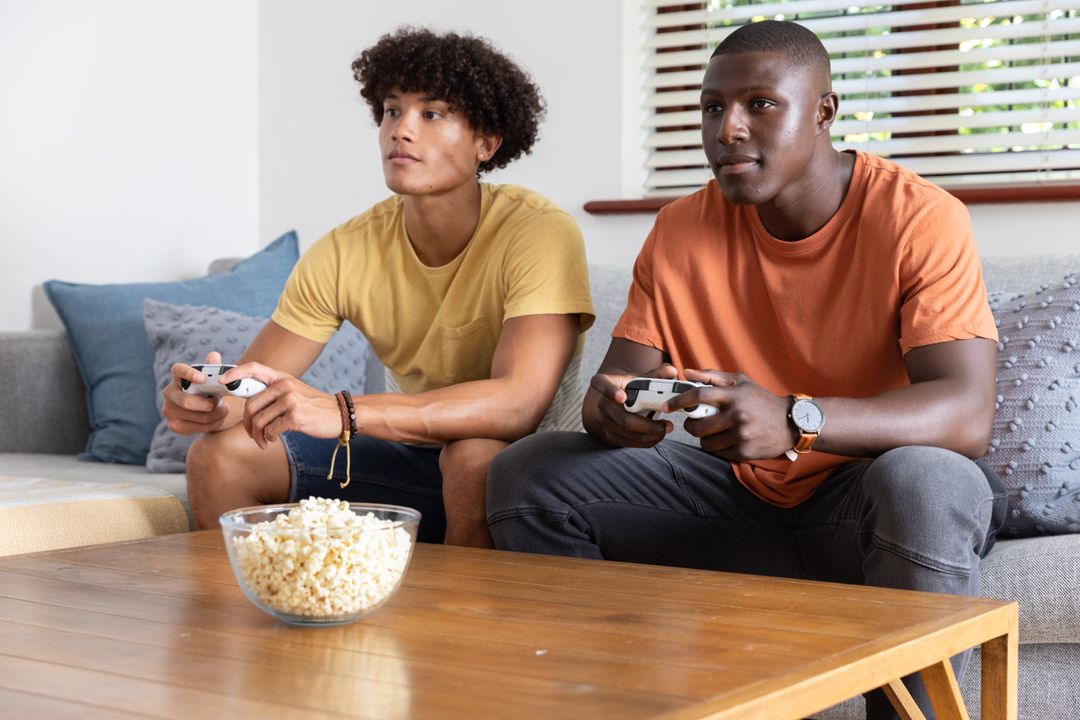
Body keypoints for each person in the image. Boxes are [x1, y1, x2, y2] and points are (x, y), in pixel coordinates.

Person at [485, 20, 1006, 719]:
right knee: (529, 473)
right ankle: (612, 699)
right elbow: (610, 390)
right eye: (711, 107)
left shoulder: (918, 217)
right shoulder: (679, 230)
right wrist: (614, 413)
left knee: (924, 477)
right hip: (731, 504)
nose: (726, 127)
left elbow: (966, 414)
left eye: (760, 103)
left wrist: (796, 418)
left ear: (824, 112)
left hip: (867, 508)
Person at [163, 28, 594, 548]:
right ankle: (248, 622)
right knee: (219, 454)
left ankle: (458, 625)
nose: (401, 131)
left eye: (430, 114)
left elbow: (518, 404)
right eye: (392, 111)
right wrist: (209, 402)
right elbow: (260, 389)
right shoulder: (346, 249)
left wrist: (344, 412)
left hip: (529, 472)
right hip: (412, 461)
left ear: (487, 142)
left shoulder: (539, 232)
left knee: (471, 455)